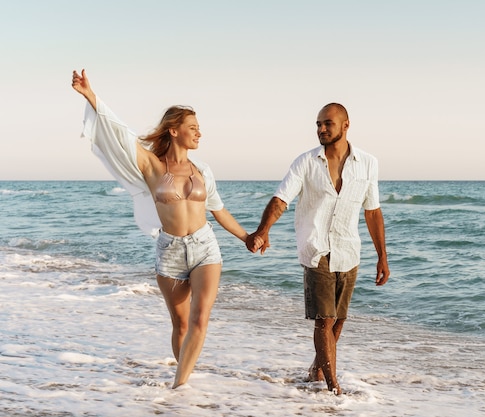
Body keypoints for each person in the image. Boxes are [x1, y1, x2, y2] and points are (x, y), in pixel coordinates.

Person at [71, 69, 262, 389]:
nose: (199, 133)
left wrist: (247, 237)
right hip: (170, 252)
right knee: (182, 325)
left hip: (205, 248)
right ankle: (185, 380)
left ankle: (177, 389)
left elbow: (219, 210)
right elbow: (120, 134)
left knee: (201, 320)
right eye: (192, 128)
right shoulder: (152, 166)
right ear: (173, 131)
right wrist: (91, 96)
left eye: (199, 128)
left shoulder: (203, 171)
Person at [246, 102, 390, 395]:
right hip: (316, 249)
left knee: (338, 319)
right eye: (318, 124)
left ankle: (316, 371)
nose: (321, 129)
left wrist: (382, 257)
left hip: (348, 250)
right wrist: (264, 230)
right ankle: (333, 388)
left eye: (328, 124)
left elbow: (372, 211)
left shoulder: (368, 163)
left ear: (346, 125)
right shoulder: (306, 162)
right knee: (324, 320)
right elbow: (280, 199)